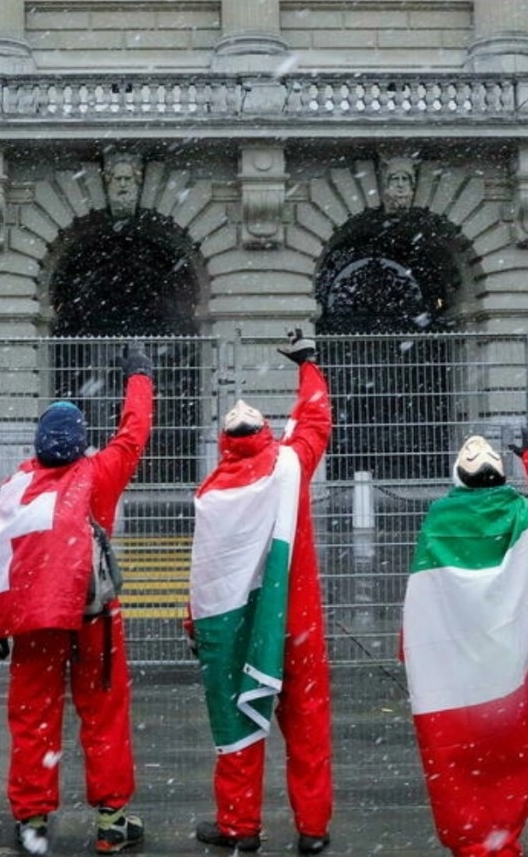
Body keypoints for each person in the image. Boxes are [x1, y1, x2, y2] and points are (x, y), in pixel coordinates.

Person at [0, 344, 153, 855]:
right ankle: (112, 821)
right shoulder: (98, 473)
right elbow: (134, 432)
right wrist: (139, 377)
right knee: (104, 713)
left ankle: (32, 819)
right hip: (94, 618)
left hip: (34, 624)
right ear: (80, 443)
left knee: (32, 717)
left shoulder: (16, 485)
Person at [403, 429, 528, 857]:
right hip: (510, 664)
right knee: (508, 752)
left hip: (452, 670)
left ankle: (470, 837)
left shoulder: (439, 519)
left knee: (455, 757)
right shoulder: (524, 516)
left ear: (459, 478)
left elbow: (423, 597)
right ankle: (501, 835)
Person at [189, 329, 333, 855]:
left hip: (238, 631)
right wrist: (307, 364)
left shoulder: (211, 493)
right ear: (268, 433)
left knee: (238, 724)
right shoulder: (290, 466)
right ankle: (313, 829)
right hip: (297, 623)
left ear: (225, 443)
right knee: (309, 729)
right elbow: (316, 420)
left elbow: (206, 575)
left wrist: (195, 629)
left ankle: (239, 825)